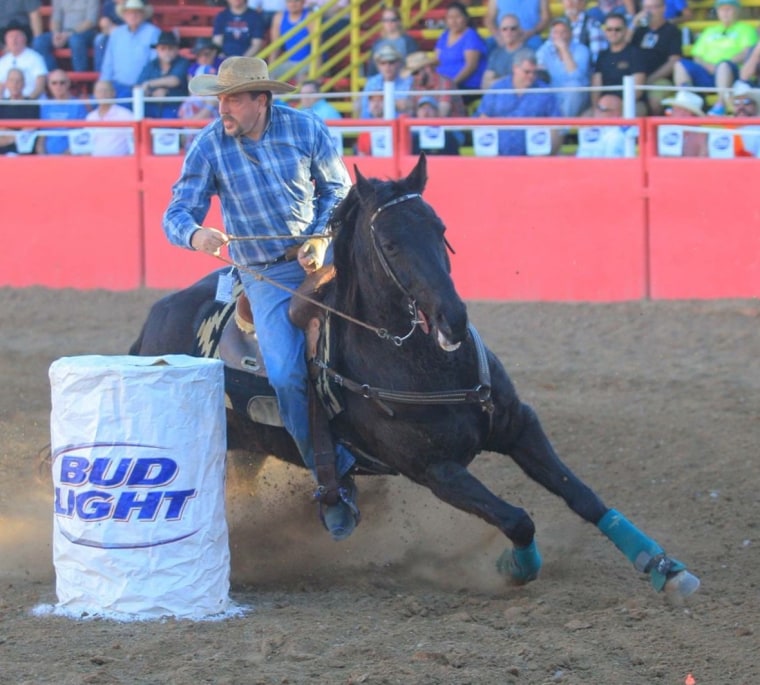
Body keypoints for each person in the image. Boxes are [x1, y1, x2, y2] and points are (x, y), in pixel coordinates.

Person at [163, 56, 358, 541]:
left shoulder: (305, 128)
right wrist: (195, 236)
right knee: (289, 373)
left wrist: (320, 234)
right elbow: (177, 211)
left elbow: (338, 188)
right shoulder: (209, 146)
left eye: (231, 98)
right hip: (265, 273)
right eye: (220, 99)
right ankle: (330, 475)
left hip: (320, 257)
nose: (222, 108)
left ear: (260, 100)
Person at [673, 0, 757, 115]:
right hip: (708, 72)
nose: (725, 13)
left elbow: (747, 53)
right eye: (721, 9)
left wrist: (720, 65)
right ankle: (684, 103)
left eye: (729, 9)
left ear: (737, 11)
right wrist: (708, 66)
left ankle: (720, 104)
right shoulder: (710, 30)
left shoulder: (746, 29)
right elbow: (697, 55)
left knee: (723, 65)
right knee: (680, 65)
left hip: (732, 74)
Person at [477, 47, 563, 156]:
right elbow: (484, 118)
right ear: (515, 68)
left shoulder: (545, 92)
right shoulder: (497, 89)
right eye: (527, 72)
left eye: (534, 72)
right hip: (499, 158)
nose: (531, 76)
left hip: (534, 159)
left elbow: (556, 126)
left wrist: (547, 155)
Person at [99, 0, 161, 101]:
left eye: (137, 12)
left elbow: (155, 63)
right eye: (129, 12)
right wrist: (104, 83)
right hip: (118, 87)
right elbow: (108, 63)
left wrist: (149, 85)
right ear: (124, 15)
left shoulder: (153, 33)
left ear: (143, 14)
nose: (133, 15)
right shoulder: (116, 34)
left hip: (143, 88)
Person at [628, 0, 682, 115]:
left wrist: (650, 79)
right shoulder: (639, 30)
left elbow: (674, 61)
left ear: (663, 8)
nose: (649, 12)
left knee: (654, 101)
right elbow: (623, 47)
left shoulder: (672, 31)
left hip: (660, 78)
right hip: (637, 77)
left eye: (653, 7)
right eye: (646, 8)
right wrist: (633, 24)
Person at [434, 2, 488, 107]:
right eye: (450, 17)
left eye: (457, 17)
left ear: (465, 18)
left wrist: (452, 83)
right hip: (444, 85)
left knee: (444, 100)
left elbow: (471, 66)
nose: (453, 21)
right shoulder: (444, 36)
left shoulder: (470, 36)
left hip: (466, 86)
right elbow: (437, 60)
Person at [535, 16, 591, 117]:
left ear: (571, 33)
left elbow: (576, 76)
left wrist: (564, 49)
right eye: (556, 32)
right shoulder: (544, 50)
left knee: (574, 87)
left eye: (563, 31)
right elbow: (541, 74)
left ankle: (561, 126)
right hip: (553, 93)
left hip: (575, 97)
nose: (559, 35)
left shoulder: (582, 50)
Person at [591, 13, 646, 114]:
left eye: (618, 29)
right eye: (609, 29)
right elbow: (596, 87)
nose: (613, 32)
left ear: (625, 30)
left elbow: (638, 89)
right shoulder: (602, 55)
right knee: (583, 120)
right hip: (605, 105)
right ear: (605, 31)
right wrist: (596, 108)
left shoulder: (635, 53)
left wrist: (619, 107)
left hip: (632, 104)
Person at [32, 0, 99, 72]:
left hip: (85, 32)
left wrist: (68, 34)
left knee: (76, 40)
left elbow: (91, 21)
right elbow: (56, 18)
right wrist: (56, 34)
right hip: (63, 32)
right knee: (39, 42)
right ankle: (54, 75)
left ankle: (81, 80)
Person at [137, 30, 189, 119]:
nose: (167, 51)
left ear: (177, 49)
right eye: (163, 48)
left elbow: (175, 80)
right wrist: (153, 94)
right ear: (157, 50)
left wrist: (149, 84)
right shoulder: (151, 65)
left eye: (170, 48)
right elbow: (138, 86)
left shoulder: (183, 62)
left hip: (175, 106)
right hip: (152, 106)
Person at [36, 69, 88, 154]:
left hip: (70, 160)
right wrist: (43, 157)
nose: (58, 86)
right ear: (49, 85)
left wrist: (62, 158)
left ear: (68, 84)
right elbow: (42, 137)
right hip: (47, 161)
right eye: (54, 83)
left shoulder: (78, 106)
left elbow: (80, 138)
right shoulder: (46, 107)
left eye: (62, 82)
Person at [355, 44, 412, 118]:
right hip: (375, 126)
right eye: (383, 63)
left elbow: (407, 108)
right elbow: (365, 111)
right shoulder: (372, 82)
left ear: (399, 64)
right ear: (378, 65)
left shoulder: (407, 81)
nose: (387, 66)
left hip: (399, 127)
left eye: (391, 62)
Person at [404, 51, 466, 117]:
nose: (413, 77)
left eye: (415, 73)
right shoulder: (415, 84)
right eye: (411, 74)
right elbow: (409, 111)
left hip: (452, 126)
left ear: (427, 68)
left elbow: (442, 114)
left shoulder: (445, 82)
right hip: (425, 125)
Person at [365, 7, 419, 78]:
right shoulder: (377, 44)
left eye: (393, 20)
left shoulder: (408, 42)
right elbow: (372, 70)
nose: (389, 23)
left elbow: (415, 67)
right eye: (385, 20)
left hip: (404, 83)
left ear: (399, 21)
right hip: (382, 84)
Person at [0, 21, 47, 99]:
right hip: (8, 104)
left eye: (17, 36)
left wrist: (27, 101)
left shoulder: (35, 58)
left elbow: (40, 86)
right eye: (10, 37)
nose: (14, 40)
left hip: (31, 103)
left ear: (25, 39)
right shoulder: (3, 61)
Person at [85, 78, 134, 155]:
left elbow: (134, 144)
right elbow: (86, 144)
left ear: (113, 93)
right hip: (94, 164)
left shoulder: (126, 115)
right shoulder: (90, 117)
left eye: (106, 90)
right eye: (99, 91)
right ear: (94, 94)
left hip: (120, 164)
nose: (103, 94)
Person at [270, 0, 315, 82]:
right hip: (290, 63)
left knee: (303, 77)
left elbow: (316, 45)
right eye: (289, 1)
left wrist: (317, 68)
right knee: (269, 77)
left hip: (308, 63)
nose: (293, 4)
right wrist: (271, 68)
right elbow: (275, 46)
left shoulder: (309, 16)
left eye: (296, 1)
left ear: (303, 2)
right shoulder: (279, 17)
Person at [0, 68, 40, 155]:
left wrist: (7, 134)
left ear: (24, 84)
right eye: (11, 80)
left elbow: (29, 130)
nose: (15, 84)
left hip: (24, 154)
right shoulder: (1, 104)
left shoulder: (32, 104)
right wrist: (18, 135)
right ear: (6, 83)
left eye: (18, 81)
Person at [481, 14, 526, 90]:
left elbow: (522, 83)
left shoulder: (527, 54)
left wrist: (496, 81)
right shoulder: (495, 54)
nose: (509, 32)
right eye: (504, 29)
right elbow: (485, 84)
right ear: (500, 32)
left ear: (520, 31)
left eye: (513, 28)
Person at [485, 0, 550, 51]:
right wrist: (498, 36)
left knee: (536, 48)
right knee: (487, 46)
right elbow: (489, 19)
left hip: (529, 37)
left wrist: (532, 32)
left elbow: (546, 18)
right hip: (503, 35)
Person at [660, 89, 707, 156]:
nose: (672, 112)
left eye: (676, 109)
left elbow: (703, 160)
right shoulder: (664, 130)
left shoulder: (700, 135)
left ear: (687, 113)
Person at [560, 0, 607, 68]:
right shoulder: (558, 26)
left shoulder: (592, 26)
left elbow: (598, 60)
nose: (569, 2)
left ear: (583, 3)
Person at [728, 80, 760, 156]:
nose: (741, 107)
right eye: (736, 102)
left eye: (746, 102)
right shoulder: (724, 128)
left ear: (755, 106)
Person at [93, 0, 125, 73]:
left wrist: (116, 30)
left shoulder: (136, 4)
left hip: (132, 34)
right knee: (100, 39)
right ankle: (100, 74)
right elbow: (104, 24)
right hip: (111, 33)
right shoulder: (109, 4)